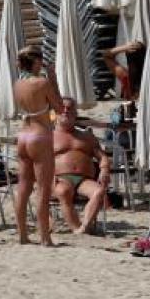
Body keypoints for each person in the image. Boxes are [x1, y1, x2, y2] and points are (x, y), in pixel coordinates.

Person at [13, 45, 63, 246]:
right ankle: (44, 237)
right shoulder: (42, 83)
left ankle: (22, 235)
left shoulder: (18, 83)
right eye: (41, 59)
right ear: (35, 61)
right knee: (43, 189)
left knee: (23, 187)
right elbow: (59, 107)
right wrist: (54, 78)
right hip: (40, 136)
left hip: (23, 135)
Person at [51, 98, 110, 235]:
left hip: (84, 180)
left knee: (99, 191)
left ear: (75, 113)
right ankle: (76, 227)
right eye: (62, 108)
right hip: (59, 179)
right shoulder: (48, 136)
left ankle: (84, 227)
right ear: (55, 112)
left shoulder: (87, 137)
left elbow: (102, 157)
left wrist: (105, 169)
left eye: (70, 108)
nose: (66, 110)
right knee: (63, 191)